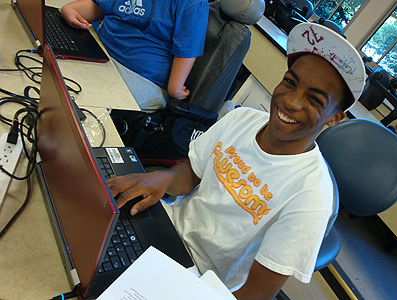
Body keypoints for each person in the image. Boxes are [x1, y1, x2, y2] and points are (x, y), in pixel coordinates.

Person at [106, 22, 366, 300]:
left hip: (199, 279)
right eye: (290, 82)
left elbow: (254, 294)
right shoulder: (242, 119)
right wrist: (166, 178)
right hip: (165, 230)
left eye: (314, 99)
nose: (291, 101)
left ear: (335, 117)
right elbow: (192, 174)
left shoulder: (311, 197)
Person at [61, 0, 209, 111]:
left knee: (77, 105)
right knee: (55, 81)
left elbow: (187, 48)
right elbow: (103, 6)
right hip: (101, 53)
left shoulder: (193, 3)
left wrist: (175, 89)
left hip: (140, 76)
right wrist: (70, 9)